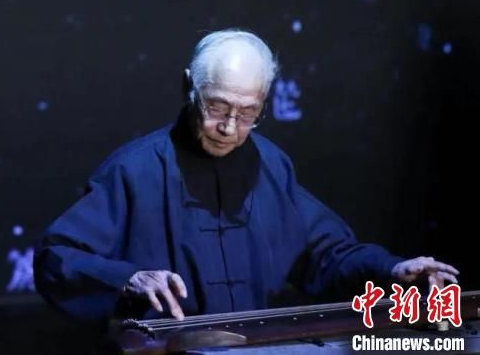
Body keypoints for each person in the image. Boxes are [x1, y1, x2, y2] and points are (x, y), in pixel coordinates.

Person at [33, 28, 459, 324]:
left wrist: (392, 268)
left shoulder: (271, 164)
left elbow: (326, 255)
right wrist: (129, 279)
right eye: (217, 108)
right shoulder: (135, 169)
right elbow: (57, 257)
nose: (229, 127)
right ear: (188, 89)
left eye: (248, 113)